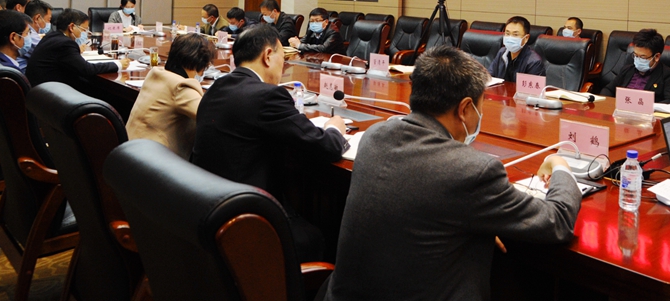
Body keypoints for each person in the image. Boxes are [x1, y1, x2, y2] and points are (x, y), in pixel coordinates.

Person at [321, 46, 581, 301]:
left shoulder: (375, 137)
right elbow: (556, 221)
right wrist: (559, 164)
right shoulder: (472, 171)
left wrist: (478, 218)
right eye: (480, 106)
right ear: (465, 108)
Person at [192, 24, 347, 261]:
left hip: (207, 205)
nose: (283, 67)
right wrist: (335, 128)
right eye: (282, 59)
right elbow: (328, 147)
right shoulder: (267, 96)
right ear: (267, 56)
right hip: (248, 216)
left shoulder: (217, 87)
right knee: (318, 236)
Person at [126, 33, 213, 159]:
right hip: (151, 161)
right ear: (199, 64)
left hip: (128, 152)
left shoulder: (156, 73)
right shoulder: (181, 86)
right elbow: (211, 118)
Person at [26, 8, 129, 93]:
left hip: (40, 90)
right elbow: (87, 69)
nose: (84, 33)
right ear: (72, 27)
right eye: (84, 30)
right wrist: (118, 64)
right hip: (49, 94)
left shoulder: (52, 36)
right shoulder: (65, 44)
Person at [600, 28, 670, 102]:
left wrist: (649, 106)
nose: (637, 60)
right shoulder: (627, 69)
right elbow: (608, 89)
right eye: (635, 55)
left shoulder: (667, 75)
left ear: (656, 57)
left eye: (642, 57)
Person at [488, 16, 545, 81]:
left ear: (526, 38)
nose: (510, 38)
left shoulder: (534, 62)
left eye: (515, 35)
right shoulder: (502, 53)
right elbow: (489, 78)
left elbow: (532, 87)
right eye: (507, 33)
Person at [17, 0, 53, 70]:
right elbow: (51, 56)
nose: (49, 23)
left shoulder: (24, 28)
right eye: (49, 20)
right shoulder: (30, 35)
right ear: (37, 18)